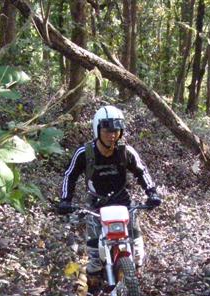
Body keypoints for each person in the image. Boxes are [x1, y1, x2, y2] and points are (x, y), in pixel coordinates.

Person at [57, 105, 162, 275]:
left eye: (116, 131)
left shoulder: (126, 151)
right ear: (97, 130)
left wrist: (152, 193)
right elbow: (70, 176)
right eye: (107, 131)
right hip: (95, 202)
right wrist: (65, 200)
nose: (112, 135)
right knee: (94, 255)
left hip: (122, 200)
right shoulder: (84, 153)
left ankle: (134, 278)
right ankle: (94, 278)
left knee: (137, 251)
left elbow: (142, 171)